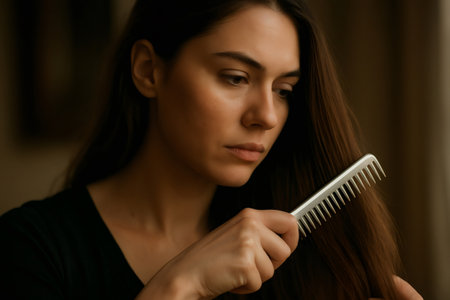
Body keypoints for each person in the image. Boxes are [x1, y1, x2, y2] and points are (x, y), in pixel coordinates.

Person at [0, 0, 423, 299]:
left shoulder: (307, 257)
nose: (267, 115)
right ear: (149, 70)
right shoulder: (31, 250)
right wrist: (180, 286)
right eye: (236, 77)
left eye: (284, 89)